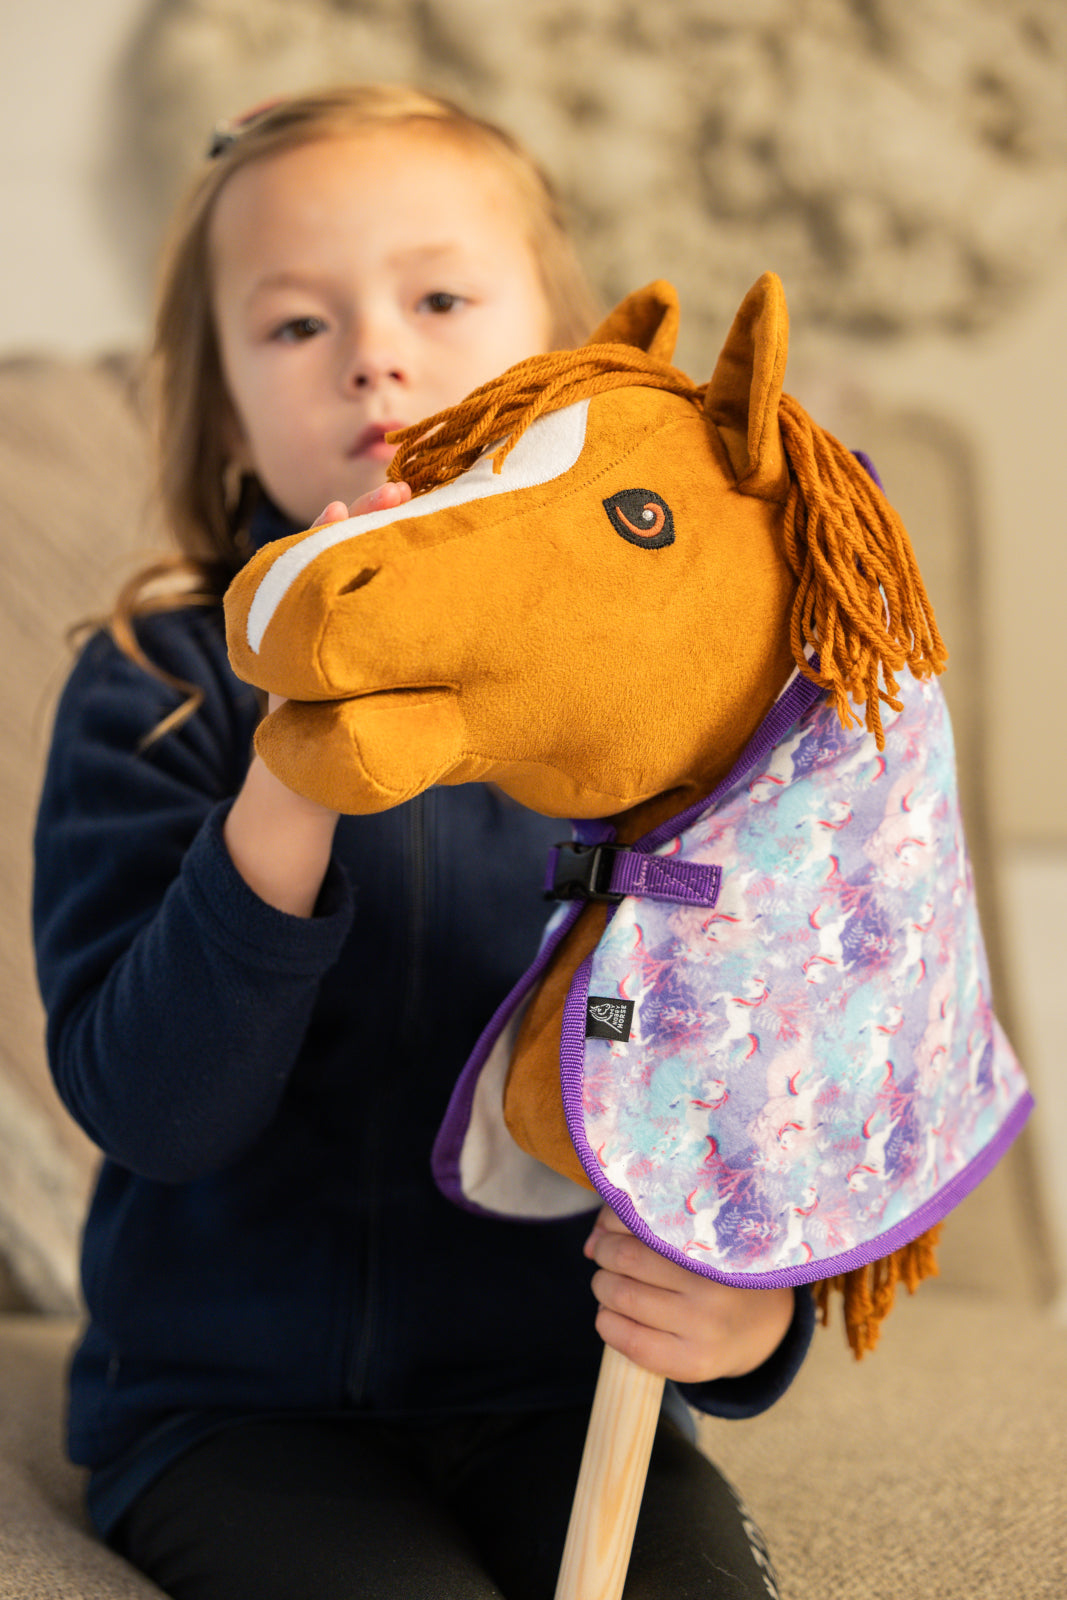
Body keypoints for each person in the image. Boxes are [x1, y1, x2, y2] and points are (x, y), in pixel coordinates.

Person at [33, 84, 814, 1600]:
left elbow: (765, 1049)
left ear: (570, 364)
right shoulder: (149, 683)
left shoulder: (662, 703)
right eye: (295, 323)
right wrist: (293, 773)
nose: (374, 355)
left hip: (556, 1399)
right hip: (230, 1413)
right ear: (222, 408)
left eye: (440, 299)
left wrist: (757, 1318)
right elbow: (154, 1113)